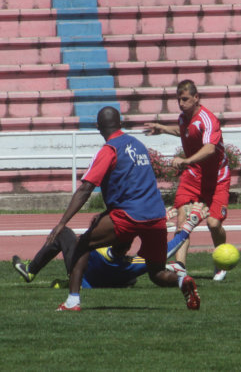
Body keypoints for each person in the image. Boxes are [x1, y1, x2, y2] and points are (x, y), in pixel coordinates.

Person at [46, 106, 201, 311]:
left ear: (98, 127)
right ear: (120, 124)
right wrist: (105, 214)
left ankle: (72, 301)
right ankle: (183, 282)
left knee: (83, 244)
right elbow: (133, 185)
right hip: (155, 216)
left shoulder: (109, 150)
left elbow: (85, 188)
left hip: (129, 215)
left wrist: (62, 223)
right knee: (156, 274)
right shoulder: (138, 145)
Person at [144, 79, 231, 281]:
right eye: (179, 100)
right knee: (181, 217)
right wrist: (163, 128)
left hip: (217, 177)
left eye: (185, 99)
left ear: (196, 97)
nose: (181, 103)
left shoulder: (208, 119)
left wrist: (186, 160)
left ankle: (221, 262)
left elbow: (210, 148)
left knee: (214, 223)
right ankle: (180, 266)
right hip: (193, 175)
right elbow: (183, 131)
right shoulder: (184, 118)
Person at [12, 203, 207, 289]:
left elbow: (91, 232)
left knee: (64, 232)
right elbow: (165, 249)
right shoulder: (131, 264)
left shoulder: (97, 248)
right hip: (107, 280)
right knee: (132, 279)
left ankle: (31, 270)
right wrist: (188, 226)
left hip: (79, 274)